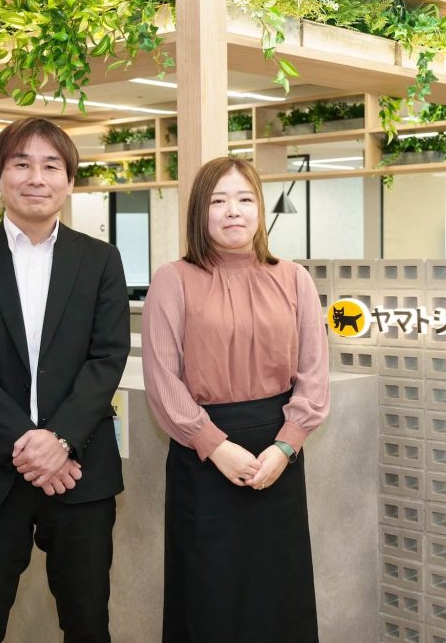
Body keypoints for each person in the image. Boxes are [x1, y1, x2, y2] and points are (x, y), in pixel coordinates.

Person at [0, 117, 130, 642]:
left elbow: (107, 357)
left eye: (51, 166)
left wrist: (60, 440)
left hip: (79, 470)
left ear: (69, 181)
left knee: (88, 623)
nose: (36, 178)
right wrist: (30, 446)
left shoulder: (101, 261)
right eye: (21, 164)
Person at [141, 156, 330, 642]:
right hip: (203, 458)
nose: (233, 211)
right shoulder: (173, 279)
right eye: (219, 200)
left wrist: (286, 446)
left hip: (278, 454)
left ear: (260, 209)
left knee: (279, 592)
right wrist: (214, 445)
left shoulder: (294, 277)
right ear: (199, 212)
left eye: (245, 199)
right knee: (208, 595)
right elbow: (162, 380)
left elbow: (313, 373)